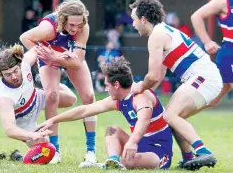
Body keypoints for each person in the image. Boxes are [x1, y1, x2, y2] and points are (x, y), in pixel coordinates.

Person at [129, 0, 223, 170]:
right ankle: (188, 159)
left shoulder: (156, 36)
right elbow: (161, 72)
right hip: (205, 77)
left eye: (134, 20)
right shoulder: (164, 30)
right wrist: (148, 94)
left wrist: (138, 88)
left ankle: (203, 151)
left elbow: (153, 76)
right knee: (173, 117)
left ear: (143, 19)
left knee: (170, 116)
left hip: (203, 77)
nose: (133, 24)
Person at [37, 57, 173, 170]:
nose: (106, 89)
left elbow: (144, 120)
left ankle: (119, 163)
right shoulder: (119, 99)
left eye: (107, 85)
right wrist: (53, 120)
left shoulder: (140, 96)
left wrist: (132, 142)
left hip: (158, 151)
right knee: (112, 130)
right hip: (139, 145)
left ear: (117, 85)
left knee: (128, 162)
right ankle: (112, 162)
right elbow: (85, 110)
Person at [19, 0, 97, 167]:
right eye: (71, 25)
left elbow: (77, 62)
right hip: (49, 55)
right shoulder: (48, 29)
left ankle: (91, 152)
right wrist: (44, 53)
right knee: (52, 96)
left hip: (68, 55)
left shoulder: (83, 27)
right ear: (63, 20)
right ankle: (55, 150)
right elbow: (25, 37)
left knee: (89, 96)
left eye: (79, 24)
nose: (75, 29)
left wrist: (59, 57)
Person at [0, 44, 77, 163]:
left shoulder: (25, 62)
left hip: (37, 98)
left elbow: (41, 46)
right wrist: (32, 135)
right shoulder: (3, 97)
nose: (14, 76)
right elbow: (9, 129)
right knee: (46, 147)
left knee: (71, 99)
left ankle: (46, 83)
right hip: (25, 122)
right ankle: (20, 157)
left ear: (19, 64)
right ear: (1, 74)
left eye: (15, 71)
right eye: (8, 75)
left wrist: (61, 54)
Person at [191, 0, 233, 107]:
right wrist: (207, 42)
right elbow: (196, 16)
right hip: (230, 55)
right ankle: (173, 115)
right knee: (211, 97)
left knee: (213, 99)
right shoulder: (223, 1)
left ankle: (174, 114)